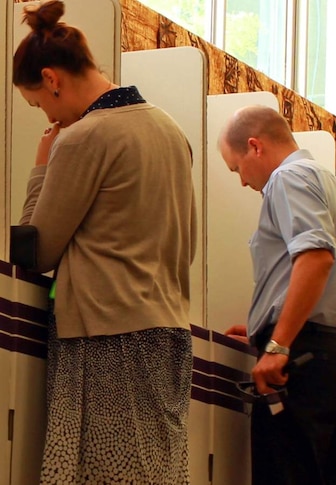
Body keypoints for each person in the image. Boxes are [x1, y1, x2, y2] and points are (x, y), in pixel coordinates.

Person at [11, 1, 197, 483]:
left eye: (40, 104)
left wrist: (41, 166)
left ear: (52, 79)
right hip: (169, 332)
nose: (47, 117)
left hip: (106, 336)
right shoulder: (171, 131)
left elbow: (37, 250)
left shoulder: (84, 137)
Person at [218, 105, 336, 485]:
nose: (241, 182)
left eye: (236, 168)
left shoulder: (288, 179)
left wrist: (279, 343)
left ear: (255, 146)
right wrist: (264, 325)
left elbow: (316, 258)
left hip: (302, 365)